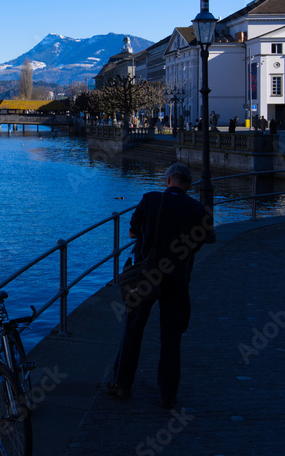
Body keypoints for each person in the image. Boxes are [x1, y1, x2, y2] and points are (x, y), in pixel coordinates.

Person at [106, 162, 208, 409]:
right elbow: (201, 242)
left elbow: (132, 234)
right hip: (177, 278)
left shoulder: (150, 200)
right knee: (171, 337)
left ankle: (122, 383)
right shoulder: (197, 208)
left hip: (146, 276)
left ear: (168, 180)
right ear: (188, 184)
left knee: (134, 329)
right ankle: (168, 394)